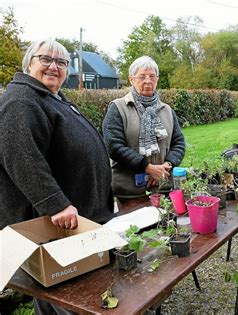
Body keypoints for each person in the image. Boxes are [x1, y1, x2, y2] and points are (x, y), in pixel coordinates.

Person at [0, 40, 114, 314]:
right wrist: (55, 204)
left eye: (62, 62)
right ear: (29, 63)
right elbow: (22, 158)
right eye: (46, 59)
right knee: (68, 298)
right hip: (55, 227)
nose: (54, 66)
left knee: (61, 294)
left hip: (73, 225)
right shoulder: (20, 101)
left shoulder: (49, 98)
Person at [102, 56, 185, 203]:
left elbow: (178, 143)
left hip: (163, 188)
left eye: (152, 76)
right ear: (131, 79)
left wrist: (166, 166)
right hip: (130, 192)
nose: (148, 80)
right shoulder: (118, 108)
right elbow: (114, 146)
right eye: (142, 76)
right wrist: (147, 167)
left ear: (157, 79)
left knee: (167, 224)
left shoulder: (166, 110)